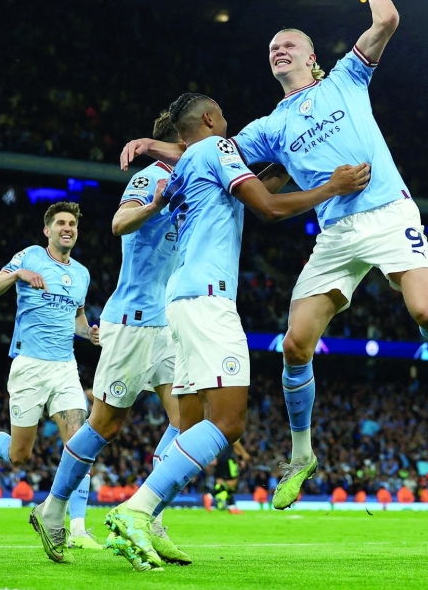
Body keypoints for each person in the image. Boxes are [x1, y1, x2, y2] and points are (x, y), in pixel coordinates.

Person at [120, 0, 428, 510]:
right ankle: (302, 454)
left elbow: (389, 18)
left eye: (288, 45)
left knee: (426, 314)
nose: (278, 50)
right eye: (272, 49)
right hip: (334, 232)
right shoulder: (268, 128)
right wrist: (158, 145)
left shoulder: (347, 79)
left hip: (386, 212)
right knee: (294, 344)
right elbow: (215, 154)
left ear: (311, 57)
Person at [102, 92, 370, 571]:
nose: (230, 123)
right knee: (227, 424)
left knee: (186, 425)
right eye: (223, 116)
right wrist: (331, 186)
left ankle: (148, 519)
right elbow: (267, 208)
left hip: (180, 302)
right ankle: (136, 510)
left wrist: (286, 160)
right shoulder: (217, 147)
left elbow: (248, 188)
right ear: (210, 120)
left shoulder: (187, 165)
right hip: (208, 299)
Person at [28, 114, 191, 565]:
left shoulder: (192, 176)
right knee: (106, 426)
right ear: (181, 137)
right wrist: (158, 202)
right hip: (134, 321)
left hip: (169, 324)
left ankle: (147, 516)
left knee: (190, 424)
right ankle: (53, 510)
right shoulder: (152, 176)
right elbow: (119, 223)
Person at [0, 202, 101, 559]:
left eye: (73, 224)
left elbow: (76, 318)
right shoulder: (30, 256)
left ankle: (74, 527)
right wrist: (17, 274)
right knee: (20, 455)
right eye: (61, 223)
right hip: (29, 366)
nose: (68, 228)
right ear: (47, 230)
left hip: (65, 367)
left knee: (82, 444)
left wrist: (89, 333)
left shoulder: (82, 273)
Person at [209, 439, 250, 514]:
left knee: (220, 481)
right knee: (233, 482)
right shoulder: (236, 427)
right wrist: (243, 454)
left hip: (219, 454)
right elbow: (235, 441)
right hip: (228, 456)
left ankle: (227, 505)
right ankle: (210, 495)